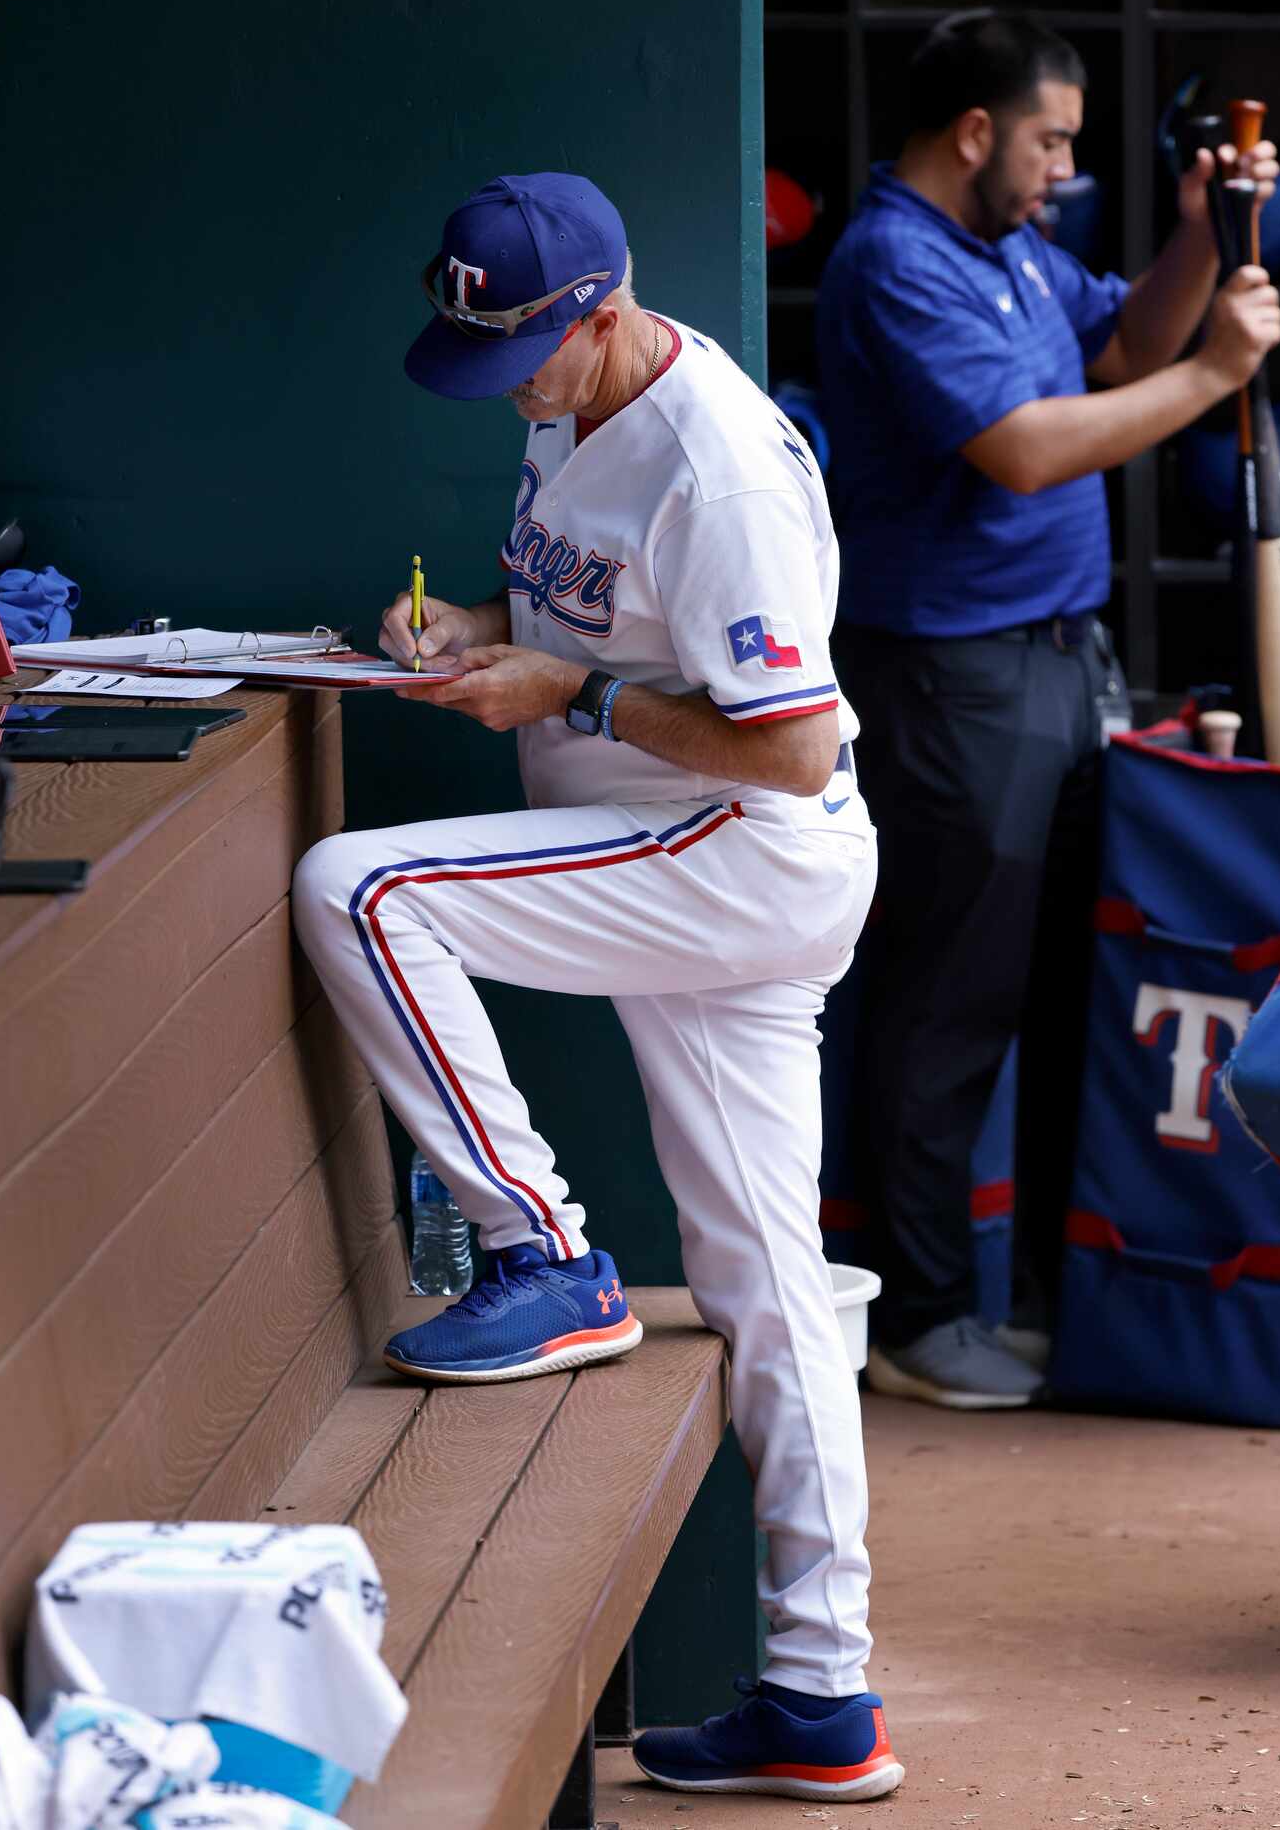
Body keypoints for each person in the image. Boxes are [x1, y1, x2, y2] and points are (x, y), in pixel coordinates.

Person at [292, 172, 905, 1804]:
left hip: (732, 846)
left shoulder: (717, 467)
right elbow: (592, 624)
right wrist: (481, 629)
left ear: (603, 307)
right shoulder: (574, 403)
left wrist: (575, 693)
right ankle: (820, 1695)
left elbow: (792, 744)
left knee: (361, 887)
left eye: (524, 353)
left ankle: (546, 1252)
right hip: (680, 846)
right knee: (770, 1277)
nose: (508, 382)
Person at [815, 10, 1280, 1410]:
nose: (1066, 166)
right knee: (943, 1003)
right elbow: (1022, 452)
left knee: (1058, 993)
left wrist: (1199, 241)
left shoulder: (1003, 251)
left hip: (1055, 666)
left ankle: (1026, 1297)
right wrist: (1216, 377)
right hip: (949, 681)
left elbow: (1118, 355)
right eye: (1051, 139)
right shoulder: (893, 260)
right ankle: (915, 1317)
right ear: (976, 134)